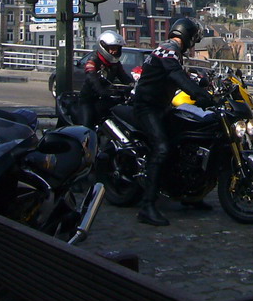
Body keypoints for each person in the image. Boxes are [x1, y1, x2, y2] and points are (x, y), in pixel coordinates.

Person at [132, 17, 213, 226]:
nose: (193, 43)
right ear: (188, 36)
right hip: (147, 107)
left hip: (161, 106)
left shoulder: (170, 51)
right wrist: (199, 94)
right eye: (194, 39)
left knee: (183, 141)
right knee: (162, 149)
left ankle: (190, 194)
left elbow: (179, 73)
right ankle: (147, 206)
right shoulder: (167, 50)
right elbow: (176, 75)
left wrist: (203, 81)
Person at [78, 30, 133, 128]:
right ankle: (85, 142)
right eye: (111, 48)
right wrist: (101, 91)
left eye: (116, 48)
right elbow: (92, 78)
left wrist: (134, 86)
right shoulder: (93, 60)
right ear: (103, 47)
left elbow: (124, 77)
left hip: (106, 99)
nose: (114, 51)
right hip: (89, 100)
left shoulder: (115, 63)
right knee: (88, 126)